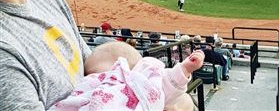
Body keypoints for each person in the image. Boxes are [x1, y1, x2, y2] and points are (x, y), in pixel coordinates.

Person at [50, 41, 205, 111]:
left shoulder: (139, 82)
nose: (104, 77)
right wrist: (185, 69)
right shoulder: (89, 85)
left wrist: (184, 69)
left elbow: (164, 84)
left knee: (183, 101)